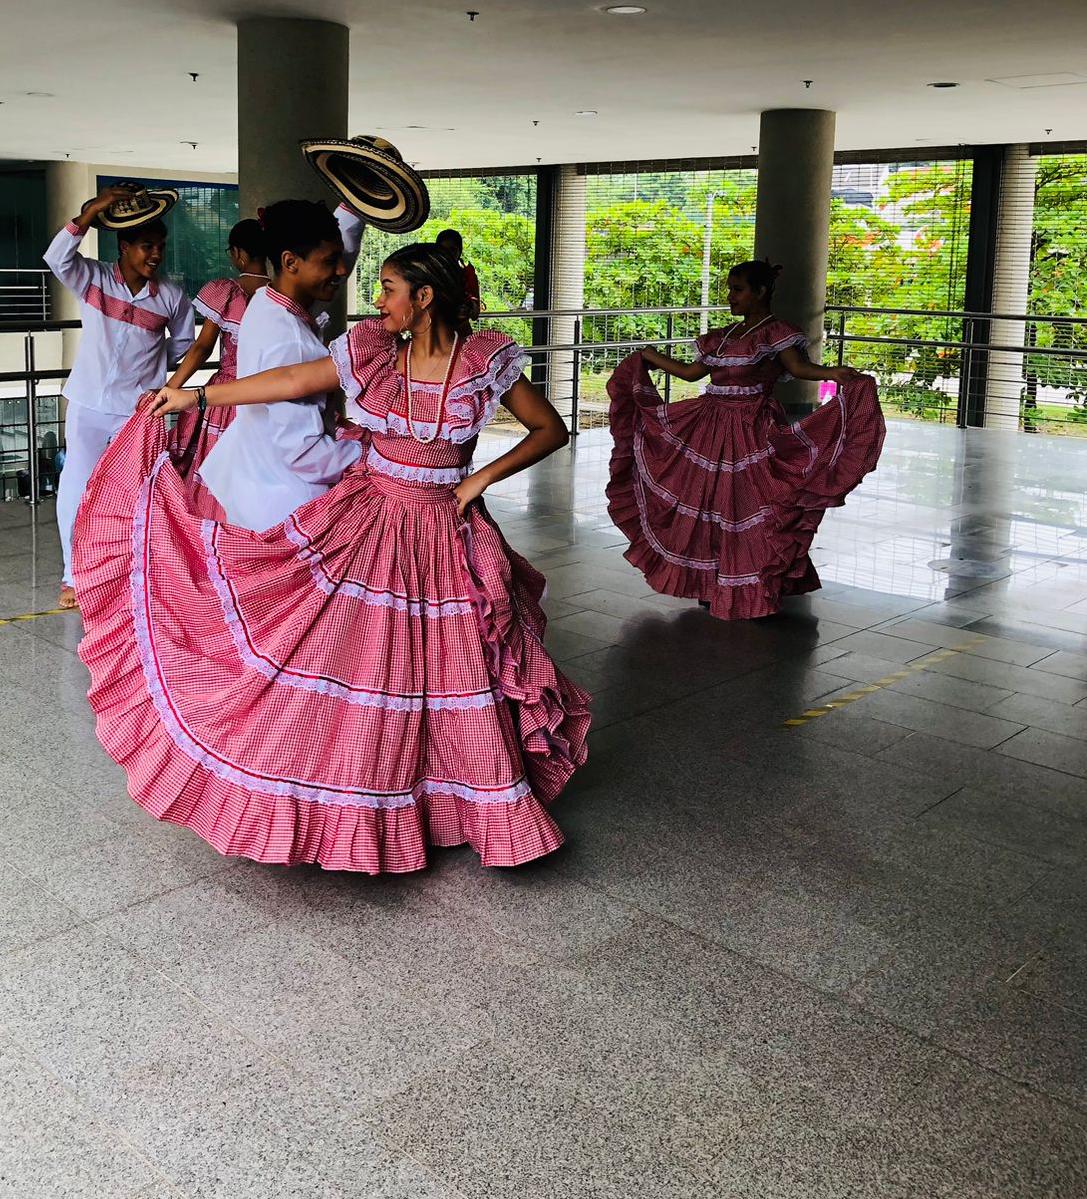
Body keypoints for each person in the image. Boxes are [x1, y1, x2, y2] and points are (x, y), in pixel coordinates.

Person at [71, 242, 591, 874]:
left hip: (444, 529)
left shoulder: (484, 359)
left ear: (424, 298)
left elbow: (549, 429)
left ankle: (462, 803)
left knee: (449, 668)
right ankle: (349, 795)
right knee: (344, 654)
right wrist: (199, 398)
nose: (377, 298)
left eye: (390, 287)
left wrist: (477, 482)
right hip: (367, 517)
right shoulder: (372, 350)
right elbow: (294, 381)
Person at [606, 258, 885, 620]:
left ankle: (751, 582)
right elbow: (692, 373)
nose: (730, 296)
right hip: (707, 427)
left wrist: (835, 372)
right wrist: (650, 357)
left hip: (749, 429)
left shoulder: (776, 332)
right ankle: (712, 582)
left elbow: (798, 368)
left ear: (761, 292)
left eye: (737, 289)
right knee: (708, 507)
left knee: (746, 507)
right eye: (729, 289)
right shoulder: (722, 337)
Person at [44, 185, 195, 611]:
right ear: (125, 245)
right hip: (88, 403)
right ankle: (73, 575)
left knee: (139, 493)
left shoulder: (171, 297)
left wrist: (147, 371)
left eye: (161, 247)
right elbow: (57, 257)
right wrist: (91, 211)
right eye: (147, 246)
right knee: (76, 484)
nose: (156, 255)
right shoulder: (91, 278)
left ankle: (133, 571)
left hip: (139, 412)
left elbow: (183, 347)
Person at [191, 200, 366, 530]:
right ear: (290, 261)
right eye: (331, 261)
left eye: (340, 258)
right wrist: (377, 458)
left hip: (253, 482)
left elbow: (336, 254)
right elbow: (305, 454)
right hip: (287, 502)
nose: (342, 270)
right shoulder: (292, 341)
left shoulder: (266, 300)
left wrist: (354, 207)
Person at [163, 218, 270, 484]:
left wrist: (171, 387)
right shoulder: (280, 295)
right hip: (270, 390)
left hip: (227, 394)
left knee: (217, 472)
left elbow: (202, 348)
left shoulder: (228, 292)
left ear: (238, 254)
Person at [435, 228, 482, 320]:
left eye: (452, 250)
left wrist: (469, 307)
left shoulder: (468, 275)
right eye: (444, 250)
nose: (448, 254)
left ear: (459, 252)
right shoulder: (429, 274)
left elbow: (475, 315)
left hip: (462, 330)